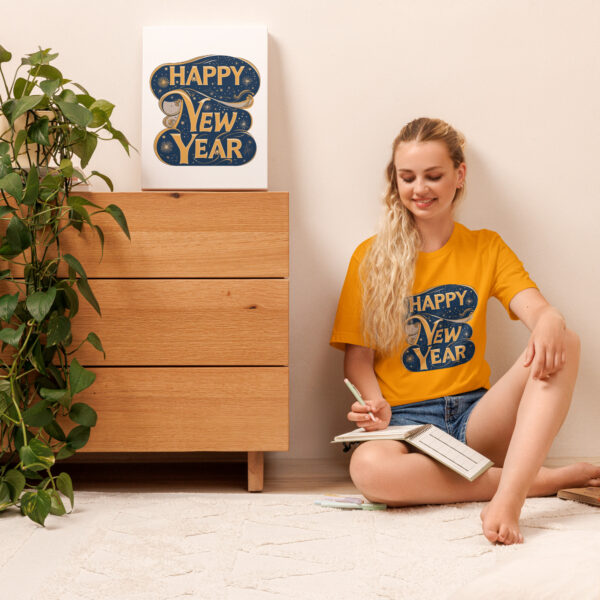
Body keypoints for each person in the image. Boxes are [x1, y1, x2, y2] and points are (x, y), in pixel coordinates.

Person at [330, 117, 600, 545]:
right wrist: (374, 404)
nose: (420, 188)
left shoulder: (485, 247)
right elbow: (358, 357)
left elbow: (535, 308)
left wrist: (549, 319)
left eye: (434, 175)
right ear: (395, 182)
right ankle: (537, 481)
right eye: (408, 177)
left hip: (476, 421)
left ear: (459, 175)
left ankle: (508, 498)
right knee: (368, 470)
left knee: (564, 339)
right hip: (406, 427)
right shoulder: (370, 257)